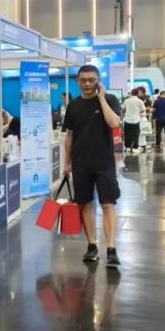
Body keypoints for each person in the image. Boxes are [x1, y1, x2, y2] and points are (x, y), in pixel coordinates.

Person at [63, 65, 122, 267]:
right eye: (83, 80)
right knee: (85, 204)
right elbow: (69, 136)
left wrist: (101, 98)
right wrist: (66, 163)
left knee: (108, 204)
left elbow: (114, 123)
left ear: (98, 81)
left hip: (104, 162)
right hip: (81, 163)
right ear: (78, 81)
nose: (87, 84)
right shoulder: (73, 106)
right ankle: (92, 245)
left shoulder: (110, 100)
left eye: (91, 80)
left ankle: (111, 249)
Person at [121, 88, 144, 153]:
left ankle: (127, 147)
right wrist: (138, 112)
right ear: (137, 93)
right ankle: (134, 147)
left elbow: (122, 108)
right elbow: (143, 109)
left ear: (131, 93)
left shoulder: (126, 100)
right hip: (135, 120)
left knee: (127, 134)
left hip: (127, 120)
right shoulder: (139, 101)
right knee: (135, 134)